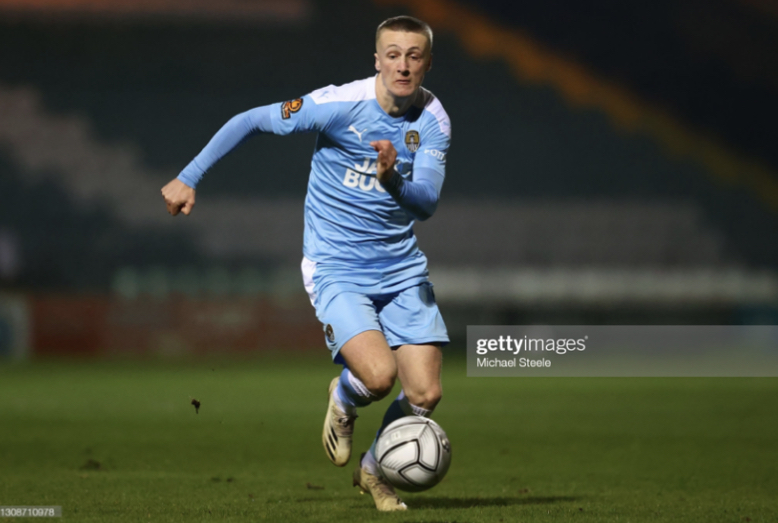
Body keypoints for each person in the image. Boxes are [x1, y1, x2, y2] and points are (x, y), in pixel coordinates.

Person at [161, 15, 450, 512]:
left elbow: (424, 201)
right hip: (336, 265)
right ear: (377, 60)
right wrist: (189, 176)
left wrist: (391, 181)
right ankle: (343, 396)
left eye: (414, 56)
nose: (403, 65)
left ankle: (374, 470)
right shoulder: (339, 105)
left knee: (425, 393)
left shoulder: (433, 120)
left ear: (426, 64)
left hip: (401, 270)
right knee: (379, 379)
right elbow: (251, 120)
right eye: (393, 54)